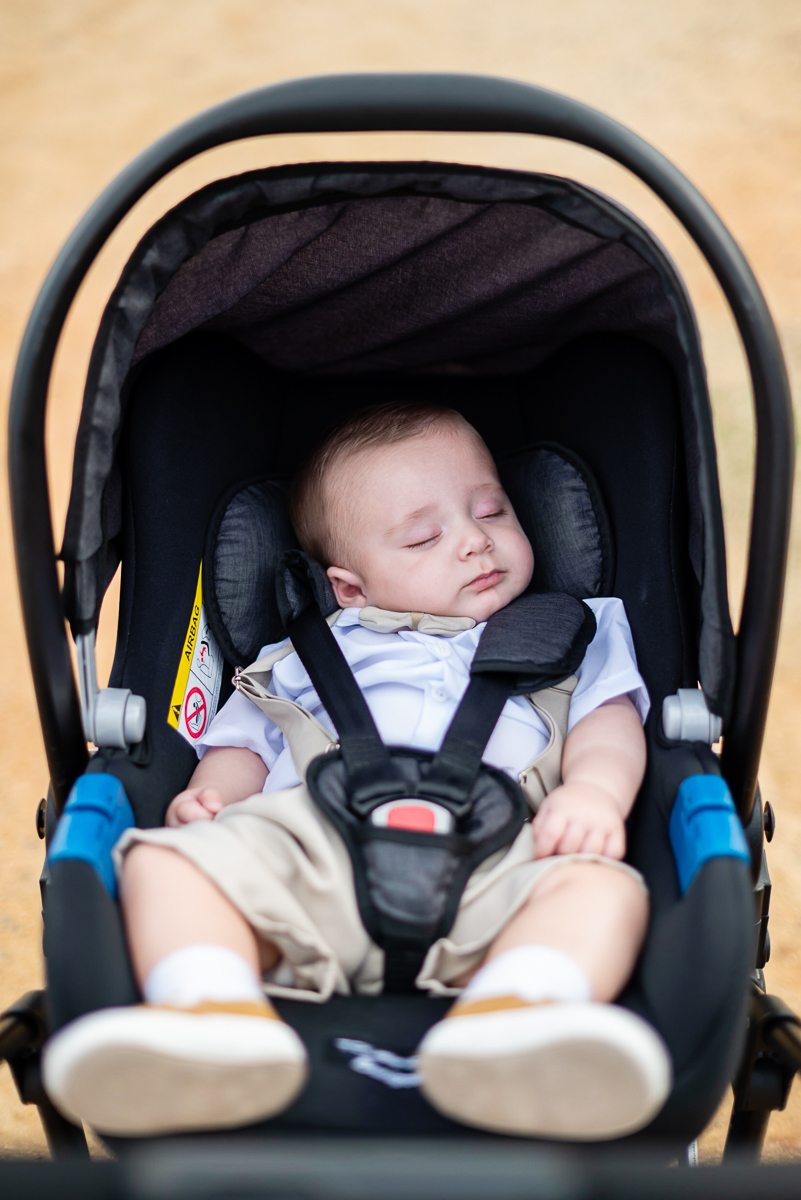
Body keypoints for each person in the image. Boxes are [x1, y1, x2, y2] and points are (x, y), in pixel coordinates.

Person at [43, 403, 671, 1139]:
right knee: (165, 864)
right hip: (310, 854)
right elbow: (244, 743)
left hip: (501, 859)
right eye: (425, 536)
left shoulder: (574, 632)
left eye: (492, 511)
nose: (473, 541)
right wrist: (212, 796)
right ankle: (210, 1008)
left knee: (603, 891)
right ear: (349, 588)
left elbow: (608, 722)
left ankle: (520, 1009)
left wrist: (596, 791)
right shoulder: (302, 654)